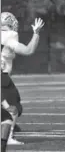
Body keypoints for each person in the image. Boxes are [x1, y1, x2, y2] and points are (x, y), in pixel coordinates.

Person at [1, 12, 44, 145]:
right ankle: (8, 137)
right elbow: (28, 50)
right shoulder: (9, 36)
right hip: (2, 77)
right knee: (14, 106)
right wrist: (36, 33)